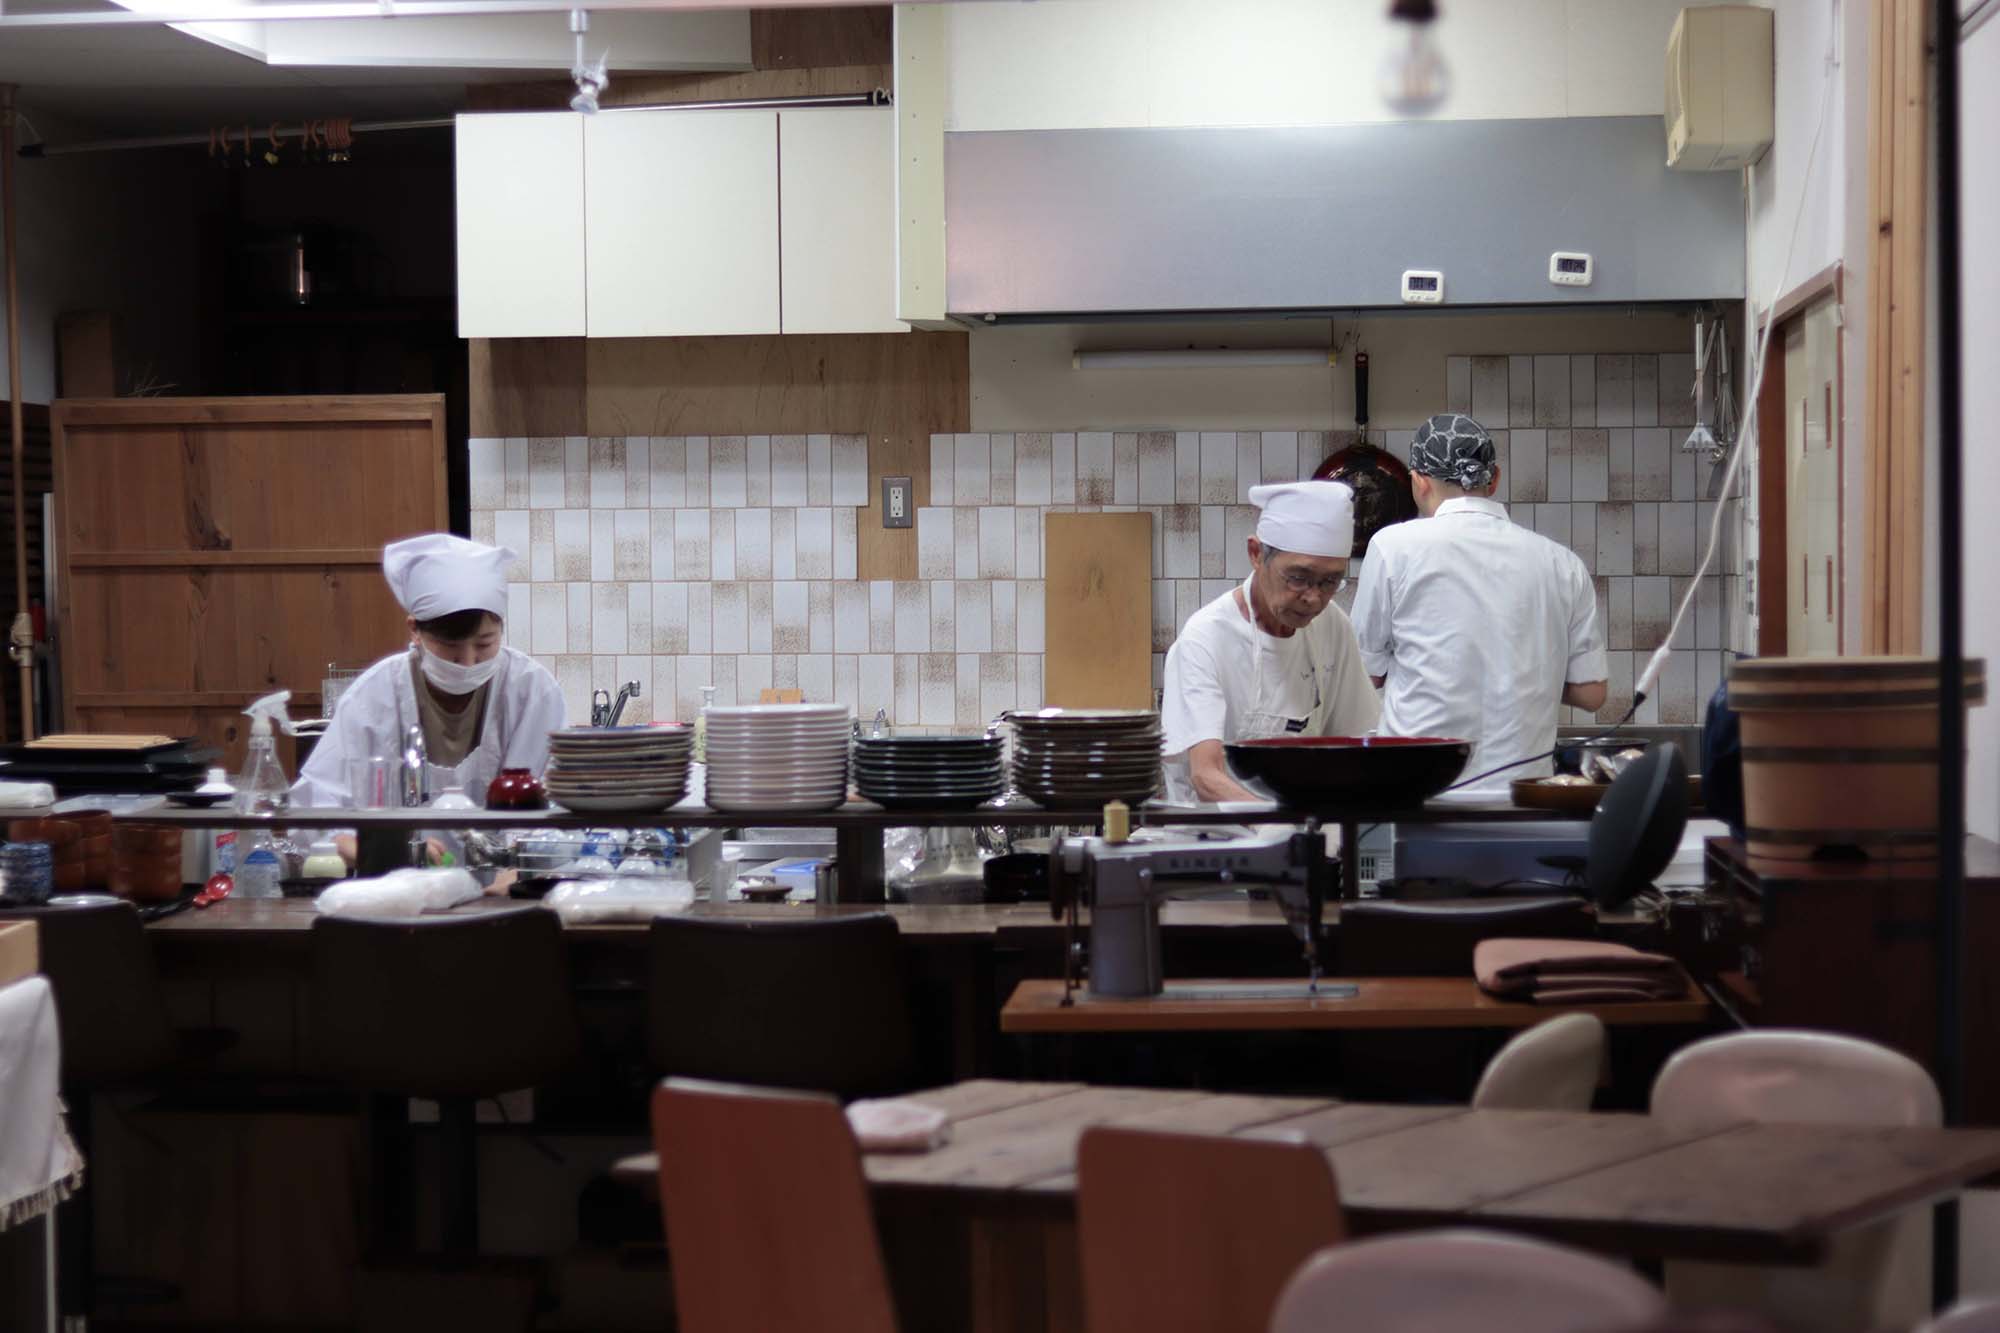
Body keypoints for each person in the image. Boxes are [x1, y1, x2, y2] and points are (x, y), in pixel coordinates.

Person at [1350, 413, 1607, 797]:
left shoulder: (1392, 547)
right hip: (1523, 797)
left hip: (1420, 793)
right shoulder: (1561, 563)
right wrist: (1521, 670)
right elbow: (1591, 694)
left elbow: (1364, 675)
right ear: (1494, 479)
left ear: (1419, 482)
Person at [294, 534, 566, 840]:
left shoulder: (532, 692)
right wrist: (357, 844)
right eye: (450, 646)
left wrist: (517, 858)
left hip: (508, 869)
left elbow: (555, 806)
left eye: (484, 644)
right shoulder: (374, 695)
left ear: (501, 627)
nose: (467, 662)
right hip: (395, 869)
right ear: (415, 630)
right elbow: (318, 805)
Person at [1161, 480, 1381, 805]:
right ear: (1256, 554)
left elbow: (1357, 741)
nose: (1313, 598)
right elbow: (1206, 776)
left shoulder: (1332, 626)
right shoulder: (1205, 638)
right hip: (1214, 831)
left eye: (1330, 581)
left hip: (1303, 826)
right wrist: (1279, 824)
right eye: (1298, 578)